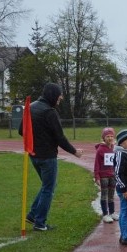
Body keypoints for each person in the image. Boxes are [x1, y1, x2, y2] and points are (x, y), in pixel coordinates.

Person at [19, 83, 83, 231]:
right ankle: (40, 223)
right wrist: (74, 152)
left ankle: (32, 215)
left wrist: (36, 141)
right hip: (47, 156)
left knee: (47, 186)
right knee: (49, 188)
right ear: (53, 95)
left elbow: (22, 130)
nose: (61, 97)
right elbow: (59, 137)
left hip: (33, 155)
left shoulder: (31, 107)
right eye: (59, 95)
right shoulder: (50, 112)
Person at [94, 127, 118, 223]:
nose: (110, 138)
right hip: (103, 176)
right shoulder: (100, 150)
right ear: (103, 138)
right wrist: (97, 177)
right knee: (104, 195)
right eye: (108, 136)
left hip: (113, 175)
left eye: (112, 136)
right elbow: (97, 164)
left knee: (111, 195)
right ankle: (105, 214)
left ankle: (112, 212)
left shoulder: (114, 148)